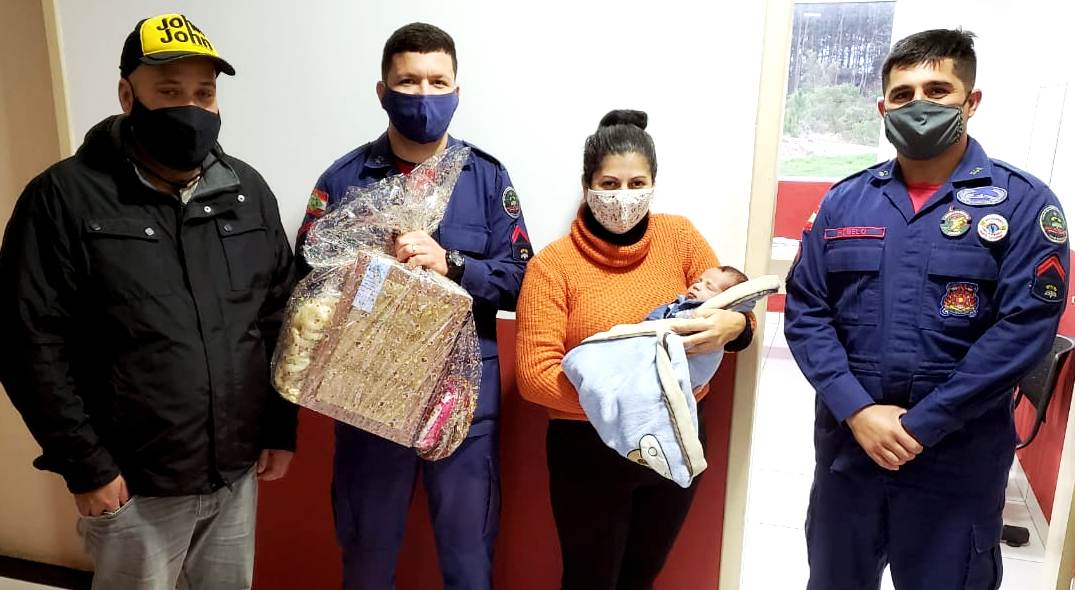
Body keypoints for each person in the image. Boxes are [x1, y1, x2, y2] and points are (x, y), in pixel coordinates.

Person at [0, 13, 297, 589]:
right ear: (126, 95)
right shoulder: (63, 198)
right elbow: (29, 342)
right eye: (169, 91)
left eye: (204, 93)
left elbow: (278, 318)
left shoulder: (246, 192)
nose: (191, 107)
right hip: (133, 484)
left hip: (235, 474)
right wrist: (87, 466)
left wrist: (280, 428)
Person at [784, 29, 1069, 589]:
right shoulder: (845, 201)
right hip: (850, 452)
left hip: (956, 459)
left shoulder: (1022, 204)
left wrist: (923, 424)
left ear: (971, 101)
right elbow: (807, 311)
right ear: (883, 108)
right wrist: (858, 411)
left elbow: (1023, 330)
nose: (919, 104)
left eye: (937, 90)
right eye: (903, 93)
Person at [296, 22, 529, 590]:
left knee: (468, 561)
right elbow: (304, 281)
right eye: (408, 81)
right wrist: (364, 268)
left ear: (457, 91)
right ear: (383, 91)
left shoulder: (486, 178)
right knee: (367, 560)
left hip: (462, 399)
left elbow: (522, 280)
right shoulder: (346, 181)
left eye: (437, 82)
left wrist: (454, 264)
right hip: (367, 395)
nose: (424, 95)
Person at [515, 109, 754, 590]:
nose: (623, 196)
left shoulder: (680, 238)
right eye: (609, 183)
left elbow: (728, 308)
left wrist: (737, 324)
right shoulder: (552, 266)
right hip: (588, 449)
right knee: (589, 580)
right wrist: (629, 400)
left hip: (676, 437)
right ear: (586, 186)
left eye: (636, 183)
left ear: (653, 184)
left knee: (642, 576)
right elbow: (535, 376)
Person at [646, 265, 749, 320]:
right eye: (698, 281)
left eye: (709, 287)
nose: (696, 286)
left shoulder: (715, 316)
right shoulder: (676, 305)